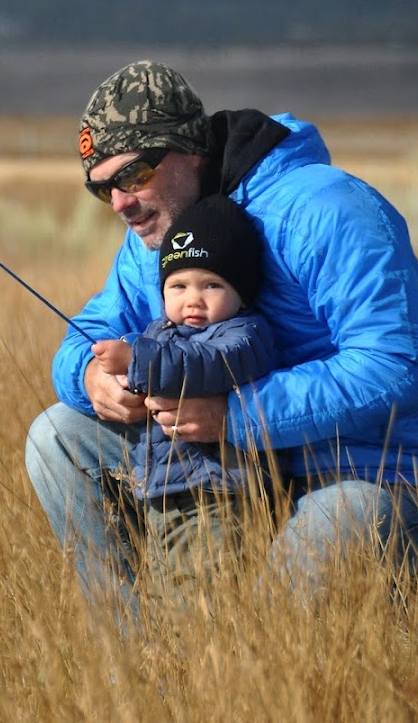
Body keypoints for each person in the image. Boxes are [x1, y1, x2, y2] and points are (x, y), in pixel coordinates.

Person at [25, 59, 418, 611]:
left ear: (189, 148)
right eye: (103, 191)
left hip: (381, 482)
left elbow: (399, 365)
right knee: (56, 435)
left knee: (301, 570)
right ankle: (139, 673)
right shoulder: (160, 236)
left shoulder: (326, 209)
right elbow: (89, 332)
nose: (121, 203)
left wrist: (239, 417)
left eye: (134, 176)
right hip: (237, 481)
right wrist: (90, 375)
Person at [89, 194, 282, 602]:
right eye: (178, 286)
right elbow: (161, 356)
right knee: (166, 593)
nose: (193, 299)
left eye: (211, 285)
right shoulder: (160, 332)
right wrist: (124, 375)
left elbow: (203, 363)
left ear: (242, 292)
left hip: (216, 498)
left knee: (205, 600)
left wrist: (138, 360)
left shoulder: (245, 336)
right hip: (161, 496)